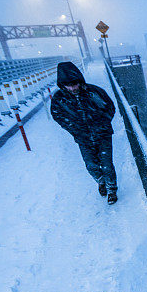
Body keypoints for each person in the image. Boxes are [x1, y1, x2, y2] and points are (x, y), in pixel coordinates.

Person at [50, 61, 118, 204]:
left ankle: (111, 190)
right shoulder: (59, 99)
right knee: (91, 165)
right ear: (63, 85)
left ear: (80, 81)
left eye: (75, 84)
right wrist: (75, 129)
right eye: (69, 85)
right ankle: (101, 182)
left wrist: (102, 124)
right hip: (83, 138)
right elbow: (57, 116)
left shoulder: (94, 92)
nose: (73, 88)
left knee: (107, 163)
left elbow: (109, 107)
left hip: (103, 134)